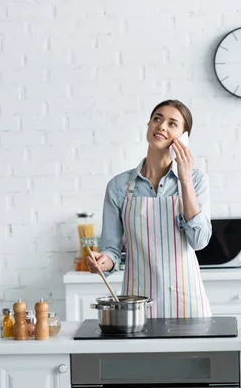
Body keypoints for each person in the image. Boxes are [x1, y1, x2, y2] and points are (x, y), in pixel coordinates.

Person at [87, 99, 213, 319]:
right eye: (157, 119)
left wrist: (184, 180)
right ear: (148, 126)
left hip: (187, 302)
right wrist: (102, 262)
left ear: (183, 138)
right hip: (137, 304)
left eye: (172, 123)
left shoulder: (195, 180)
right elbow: (111, 250)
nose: (162, 126)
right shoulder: (119, 186)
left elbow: (200, 240)